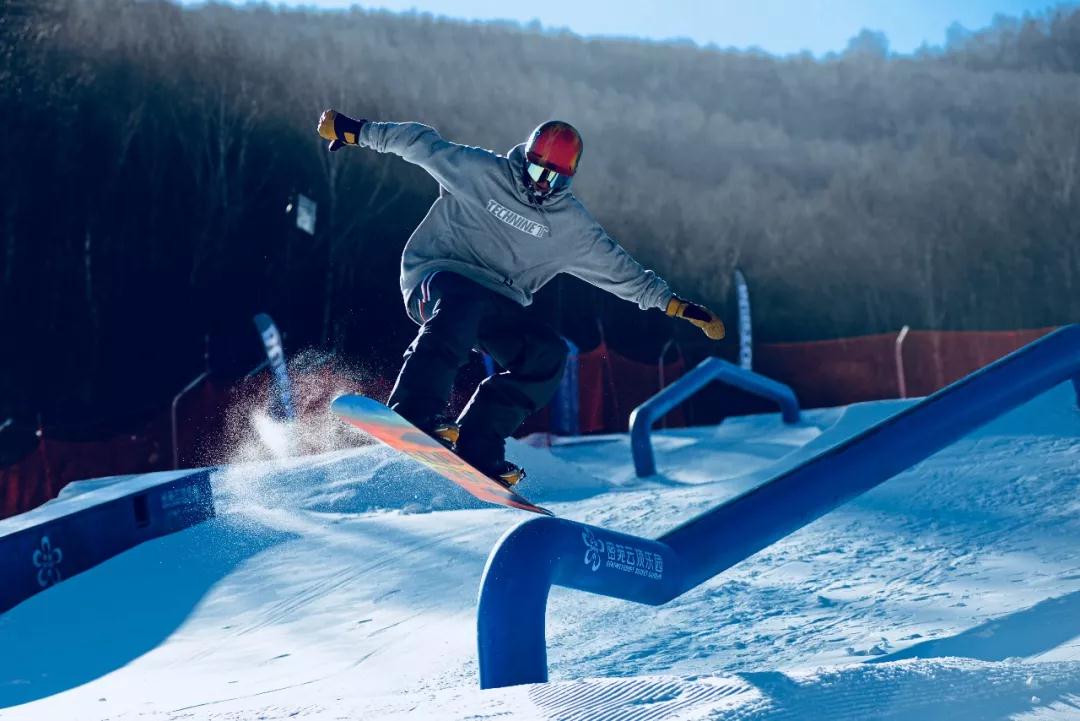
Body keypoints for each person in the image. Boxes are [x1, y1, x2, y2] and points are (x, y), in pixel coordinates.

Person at [317, 110, 724, 486]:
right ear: (523, 158)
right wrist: (357, 132)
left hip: (497, 303)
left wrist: (673, 304)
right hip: (437, 278)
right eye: (535, 170)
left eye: (556, 180)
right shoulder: (481, 172)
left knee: (546, 354)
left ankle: (480, 445)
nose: (542, 185)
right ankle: (415, 407)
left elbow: (619, 270)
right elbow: (420, 143)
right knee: (464, 303)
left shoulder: (570, 226)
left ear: (569, 179)